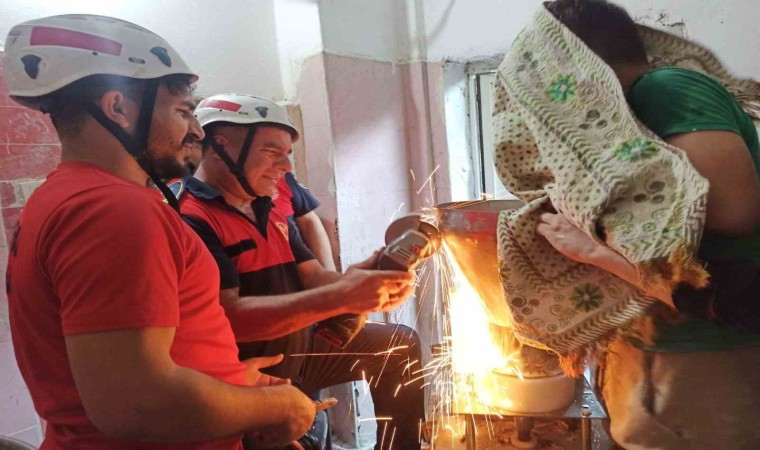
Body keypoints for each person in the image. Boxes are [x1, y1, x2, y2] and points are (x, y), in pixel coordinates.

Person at [3, 15, 315, 450]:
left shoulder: (68, 198)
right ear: (118, 107)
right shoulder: (113, 211)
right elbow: (136, 404)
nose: (196, 131)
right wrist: (280, 407)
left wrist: (228, 380)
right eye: (183, 111)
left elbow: (130, 359)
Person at [536, 1, 760, 449]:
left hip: (702, 357)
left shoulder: (663, 89)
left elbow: (735, 213)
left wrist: (595, 246)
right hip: (651, 349)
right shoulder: (623, 117)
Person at [178, 93, 426, 450]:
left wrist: (360, 277)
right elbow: (230, 317)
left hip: (300, 353)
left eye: (287, 154)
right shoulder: (193, 219)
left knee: (398, 345)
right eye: (271, 152)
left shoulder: (269, 207)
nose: (285, 167)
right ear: (220, 145)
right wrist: (341, 296)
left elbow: (313, 277)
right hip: (242, 376)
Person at [273, 171, 337, 271]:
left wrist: (329, 272)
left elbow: (309, 222)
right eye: (271, 154)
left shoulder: (284, 178)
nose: (286, 165)